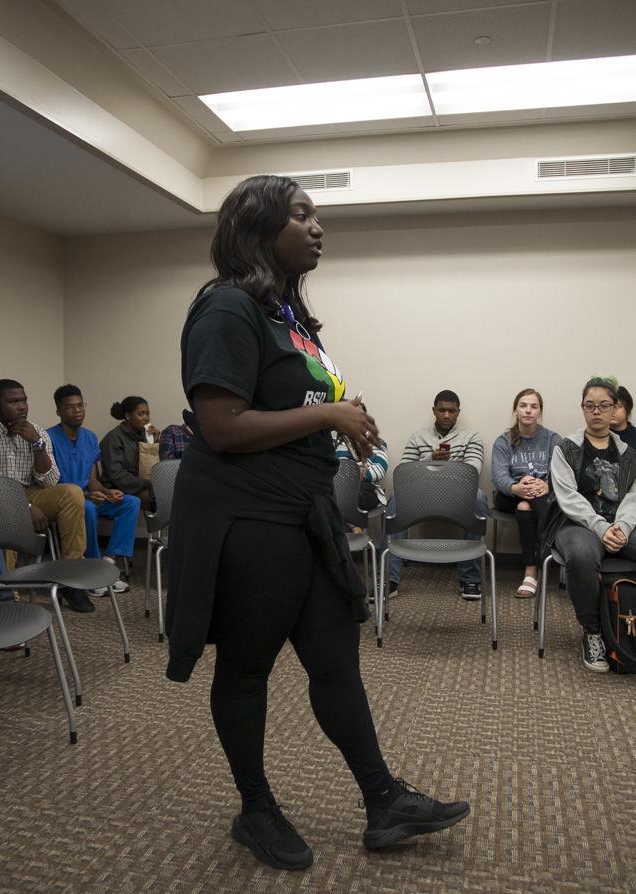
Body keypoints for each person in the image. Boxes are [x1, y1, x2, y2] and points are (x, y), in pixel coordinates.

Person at [164, 175, 469, 872]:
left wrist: (345, 417)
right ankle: (256, 808)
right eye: (300, 214)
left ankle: (383, 801)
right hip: (249, 520)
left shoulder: (287, 316)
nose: (317, 226)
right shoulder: (225, 309)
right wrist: (330, 415)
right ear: (258, 228)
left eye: (316, 214)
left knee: (335, 661)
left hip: (305, 513)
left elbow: (290, 400)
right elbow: (222, 424)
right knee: (246, 670)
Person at [0, 379, 91, 612]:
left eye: (23, 400)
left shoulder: (37, 431)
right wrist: (26, 505)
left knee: (71, 493)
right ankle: (8, 594)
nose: (22, 407)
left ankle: (71, 579)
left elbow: (50, 480)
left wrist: (36, 444)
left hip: (31, 491)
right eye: (13, 402)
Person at [542, 376, 636, 672]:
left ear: (614, 409)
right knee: (582, 554)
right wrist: (601, 528)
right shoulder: (566, 448)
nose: (597, 411)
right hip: (575, 525)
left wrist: (621, 526)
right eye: (590, 405)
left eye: (604, 405)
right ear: (582, 409)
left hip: (619, 524)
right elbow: (567, 498)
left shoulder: (630, 454)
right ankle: (593, 632)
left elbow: (633, 497)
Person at [388, 390, 486, 601]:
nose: (446, 415)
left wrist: (444, 469)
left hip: (458, 493)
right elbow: (404, 472)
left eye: (452, 411)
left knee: (478, 498)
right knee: (395, 500)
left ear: (458, 412)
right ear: (434, 410)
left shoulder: (471, 436)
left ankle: (470, 578)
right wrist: (430, 458)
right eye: (442, 410)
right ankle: (389, 578)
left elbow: (473, 471)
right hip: (421, 493)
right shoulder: (418, 436)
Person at [47, 384, 138, 595]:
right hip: (69, 501)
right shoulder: (49, 438)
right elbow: (49, 485)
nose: (77, 410)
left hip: (91, 496)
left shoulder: (90, 437)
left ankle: (109, 564)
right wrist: (88, 495)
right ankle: (92, 570)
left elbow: (93, 479)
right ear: (59, 411)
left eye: (80, 405)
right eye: (70, 407)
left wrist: (107, 492)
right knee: (85, 507)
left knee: (131, 503)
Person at [491, 389, 561, 598]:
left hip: (541, 493)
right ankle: (552, 547)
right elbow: (498, 476)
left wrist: (547, 485)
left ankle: (531, 572)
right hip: (508, 495)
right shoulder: (503, 441)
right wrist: (517, 487)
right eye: (523, 406)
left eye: (533, 406)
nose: (528, 411)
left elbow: (561, 473)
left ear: (540, 412)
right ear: (516, 410)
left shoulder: (552, 439)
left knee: (525, 506)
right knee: (524, 500)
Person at [100, 396, 159, 510]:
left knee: (171, 492)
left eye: (147, 414)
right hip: (118, 489)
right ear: (128, 416)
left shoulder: (144, 435)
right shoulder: (113, 438)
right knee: (159, 497)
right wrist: (147, 483)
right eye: (141, 414)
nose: (146, 418)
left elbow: (151, 466)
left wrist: (155, 442)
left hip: (141, 485)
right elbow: (117, 475)